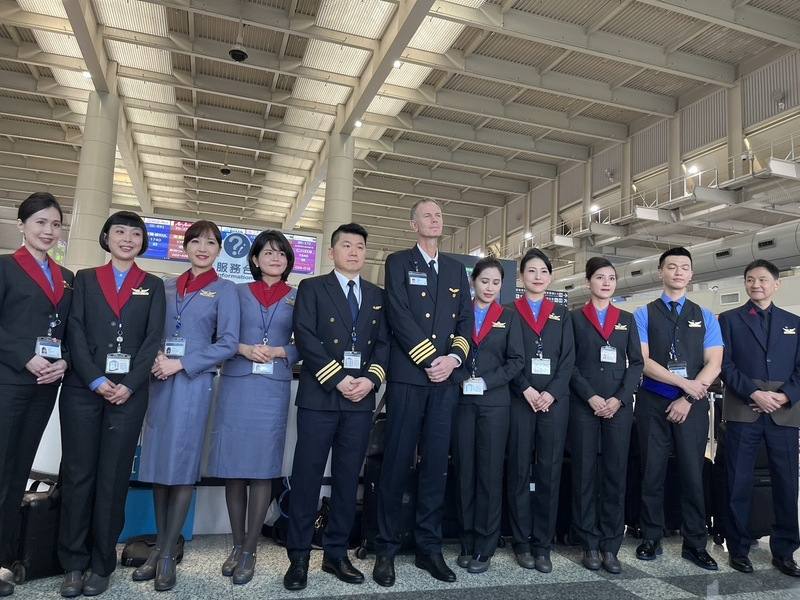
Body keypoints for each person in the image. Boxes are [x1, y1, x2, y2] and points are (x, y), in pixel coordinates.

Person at [58, 211, 166, 597]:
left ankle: (101, 563)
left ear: (142, 241)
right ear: (106, 237)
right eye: (119, 231)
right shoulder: (84, 279)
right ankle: (72, 563)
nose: (127, 238)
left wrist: (131, 384)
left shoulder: (151, 285)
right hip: (82, 390)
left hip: (129, 396)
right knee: (78, 474)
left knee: (113, 478)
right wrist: (96, 379)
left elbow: (153, 339)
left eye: (135, 233)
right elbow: (74, 330)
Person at [283, 223, 390, 591]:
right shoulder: (311, 288)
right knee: (306, 478)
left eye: (360, 246)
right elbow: (305, 336)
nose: (354, 251)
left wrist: (371, 380)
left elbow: (384, 345)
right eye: (346, 245)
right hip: (321, 398)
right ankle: (298, 556)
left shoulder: (378, 294)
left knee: (347, 480)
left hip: (360, 402)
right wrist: (339, 378)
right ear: (332, 252)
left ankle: (336, 554)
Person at [133, 220, 239, 591]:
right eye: (196, 241)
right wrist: (156, 359)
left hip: (192, 384)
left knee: (181, 467)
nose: (203, 248)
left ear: (219, 249)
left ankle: (165, 556)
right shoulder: (163, 287)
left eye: (211, 242)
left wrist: (183, 362)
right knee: (159, 467)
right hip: (159, 382)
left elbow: (227, 343)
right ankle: (159, 546)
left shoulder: (226, 291)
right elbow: (149, 333)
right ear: (185, 246)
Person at [373, 199, 472, 587]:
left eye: (439, 215)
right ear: (413, 223)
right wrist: (431, 358)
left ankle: (429, 548)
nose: (435, 219)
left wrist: (453, 360)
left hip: (444, 381)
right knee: (396, 462)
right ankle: (385, 548)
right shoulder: (398, 262)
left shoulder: (453, 269)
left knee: (435, 464)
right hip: (410, 379)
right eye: (427, 215)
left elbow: (465, 318)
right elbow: (397, 313)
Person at [205, 230, 300, 585]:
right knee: (234, 468)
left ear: (288, 261)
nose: (275, 258)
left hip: (273, 386)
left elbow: (305, 343)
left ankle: (250, 549)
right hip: (237, 382)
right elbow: (219, 336)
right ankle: (235, 543)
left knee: (262, 469)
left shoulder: (297, 296)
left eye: (281, 253)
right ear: (255, 259)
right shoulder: (235, 291)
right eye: (268, 253)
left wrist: (280, 352)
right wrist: (243, 349)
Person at [0, 193, 72, 598]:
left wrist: (65, 362)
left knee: (17, 473)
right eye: (41, 222)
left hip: (45, 386)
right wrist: (24, 357)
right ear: (22, 225)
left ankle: (5, 557)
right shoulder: (5, 268)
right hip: (9, 382)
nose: (48, 231)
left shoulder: (67, 278)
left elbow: (67, 331)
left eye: (55, 224)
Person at [633, 246, 722, 570]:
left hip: (693, 406)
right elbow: (643, 361)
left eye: (684, 267)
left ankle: (695, 542)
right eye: (672, 267)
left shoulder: (706, 316)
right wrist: (684, 385)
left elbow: (715, 362)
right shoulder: (644, 313)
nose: (678, 272)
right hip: (653, 402)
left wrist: (688, 398)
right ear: (661, 272)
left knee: (692, 472)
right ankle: (651, 536)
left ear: (691, 273)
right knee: (652, 472)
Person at [718, 259, 800, 577]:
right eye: (750, 279)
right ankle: (737, 548)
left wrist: (784, 396)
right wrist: (754, 393)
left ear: (776, 284)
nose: (756, 285)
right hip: (743, 411)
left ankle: (784, 551)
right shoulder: (729, 320)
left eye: (763, 279)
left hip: (784, 413)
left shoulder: (793, 322)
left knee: (786, 483)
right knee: (737, 481)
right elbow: (724, 365)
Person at [569, 257, 643, 574]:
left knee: (615, 474)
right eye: (600, 277)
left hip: (618, 408)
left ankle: (611, 545)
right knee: (584, 474)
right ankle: (588, 543)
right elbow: (567, 363)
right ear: (589, 282)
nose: (606, 282)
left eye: (611, 277)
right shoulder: (574, 319)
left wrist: (619, 399)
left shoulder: (625, 319)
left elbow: (636, 364)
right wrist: (591, 396)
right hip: (584, 405)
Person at [452, 257, 523, 574]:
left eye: (496, 283)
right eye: (484, 281)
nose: (490, 288)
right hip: (462, 403)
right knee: (465, 471)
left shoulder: (509, 317)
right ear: (473, 282)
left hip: (495, 404)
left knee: (490, 475)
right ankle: (466, 540)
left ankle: (485, 545)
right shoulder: (460, 314)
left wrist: (487, 381)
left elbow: (516, 360)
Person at [506, 248, 574, 573]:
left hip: (553, 403)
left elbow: (568, 359)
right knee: (519, 470)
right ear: (522, 277)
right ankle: (521, 542)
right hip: (520, 400)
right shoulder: (508, 311)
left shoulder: (561, 313)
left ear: (550, 277)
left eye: (543, 271)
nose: (537, 277)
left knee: (549, 471)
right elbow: (505, 355)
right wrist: (527, 388)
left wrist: (551, 392)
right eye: (531, 271)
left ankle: (542, 545)